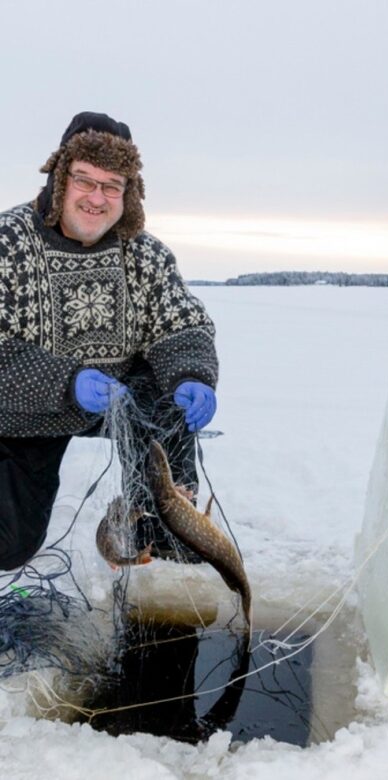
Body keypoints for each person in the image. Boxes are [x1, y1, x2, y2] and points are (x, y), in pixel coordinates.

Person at [0, 111, 218, 570]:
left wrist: (193, 374)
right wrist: (65, 381)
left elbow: (179, 322)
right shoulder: (9, 243)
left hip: (125, 403)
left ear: (128, 192)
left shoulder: (145, 252)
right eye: (85, 180)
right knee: (8, 543)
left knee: (166, 392)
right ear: (61, 180)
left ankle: (154, 522)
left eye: (112, 185)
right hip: (25, 411)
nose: (97, 198)